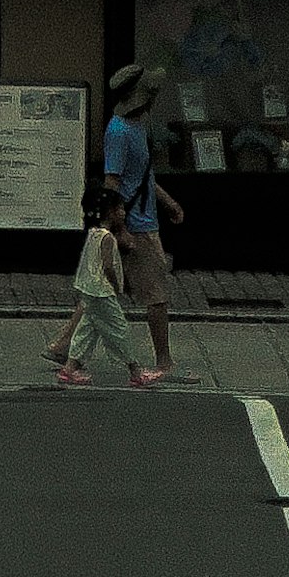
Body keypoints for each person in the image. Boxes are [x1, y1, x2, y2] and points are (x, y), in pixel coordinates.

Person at [102, 62, 185, 376]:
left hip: (142, 217)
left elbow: (144, 175)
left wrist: (168, 202)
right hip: (135, 225)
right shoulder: (119, 132)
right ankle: (164, 361)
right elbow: (113, 182)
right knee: (156, 296)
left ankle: (63, 349)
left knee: (101, 292)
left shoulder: (137, 126)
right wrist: (120, 229)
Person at [57, 201, 158, 390]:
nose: (123, 213)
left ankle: (69, 369)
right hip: (102, 292)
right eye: (119, 209)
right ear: (110, 212)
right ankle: (135, 371)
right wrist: (117, 286)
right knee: (118, 328)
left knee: (87, 329)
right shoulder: (108, 237)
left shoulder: (93, 233)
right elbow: (108, 266)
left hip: (89, 289)